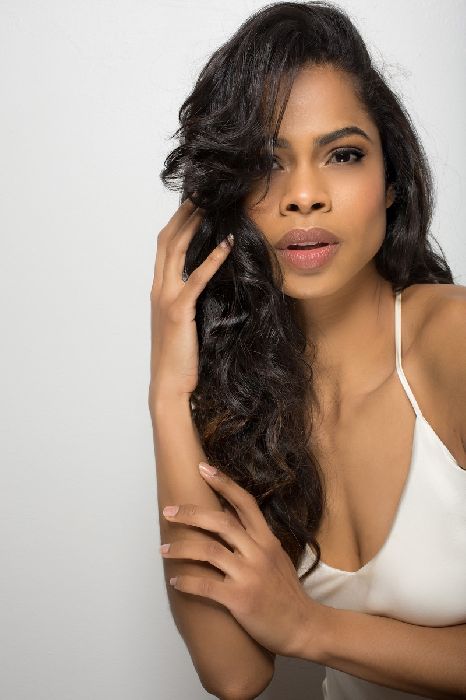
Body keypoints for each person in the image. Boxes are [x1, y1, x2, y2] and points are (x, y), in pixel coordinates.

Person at [149, 2, 466, 698]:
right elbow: (234, 674)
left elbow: (290, 639)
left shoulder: (455, 345)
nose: (303, 196)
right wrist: (168, 393)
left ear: (392, 181)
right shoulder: (243, 397)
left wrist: (309, 628)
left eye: (343, 155)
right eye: (268, 162)